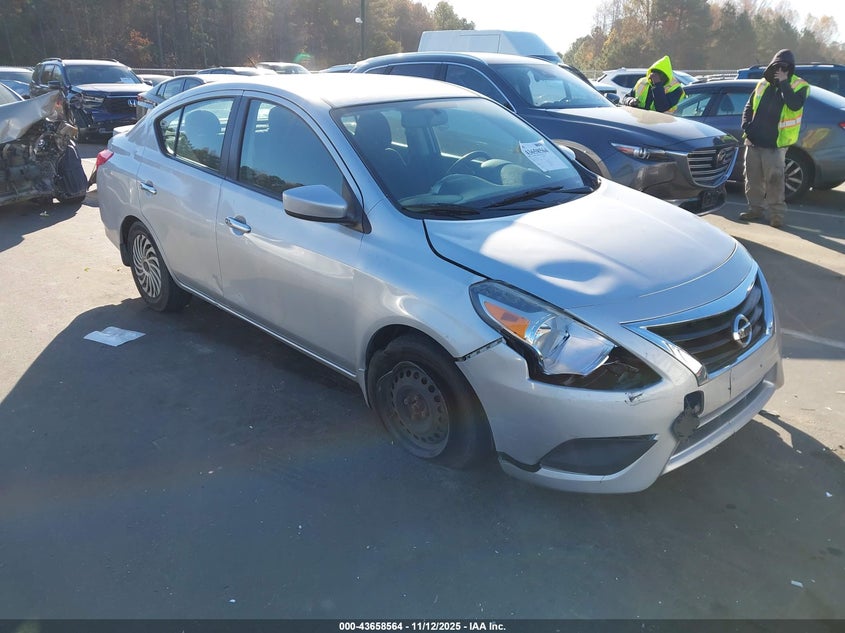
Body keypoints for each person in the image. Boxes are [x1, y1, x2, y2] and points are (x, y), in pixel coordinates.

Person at [739, 49, 809, 228]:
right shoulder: (762, 84)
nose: (780, 70)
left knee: (775, 181)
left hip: (775, 145)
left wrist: (784, 83)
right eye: (777, 66)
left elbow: (794, 105)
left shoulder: (799, 86)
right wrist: (746, 125)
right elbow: (749, 106)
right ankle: (755, 209)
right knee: (752, 180)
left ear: (790, 69)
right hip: (754, 141)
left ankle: (776, 215)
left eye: (785, 68)